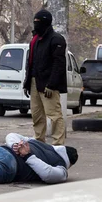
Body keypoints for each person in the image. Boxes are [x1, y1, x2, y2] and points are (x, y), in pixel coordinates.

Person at [24, 9, 67, 145]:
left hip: (48, 84)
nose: (36, 24)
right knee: (37, 115)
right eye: (35, 22)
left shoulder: (56, 39)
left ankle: (58, 144)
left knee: (54, 116)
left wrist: (52, 84)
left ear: (47, 23)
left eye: (39, 22)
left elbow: (59, 64)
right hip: (34, 82)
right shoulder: (35, 40)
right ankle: (39, 142)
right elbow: (31, 63)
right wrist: (27, 83)